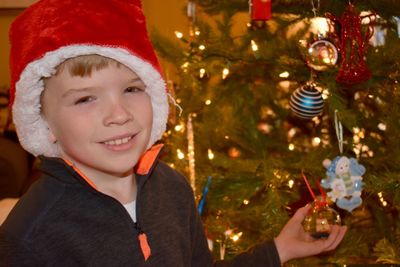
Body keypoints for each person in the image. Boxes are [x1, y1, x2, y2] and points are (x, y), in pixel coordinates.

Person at [0, 0, 347, 266]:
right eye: (86, 98)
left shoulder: (172, 188)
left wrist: (279, 250)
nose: (119, 114)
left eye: (133, 90)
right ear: (45, 123)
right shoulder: (29, 235)